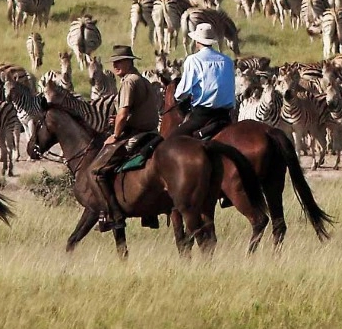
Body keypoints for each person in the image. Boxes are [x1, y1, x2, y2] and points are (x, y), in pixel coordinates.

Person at [79, 44, 160, 232]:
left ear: (129, 62)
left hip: (135, 135)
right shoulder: (141, 79)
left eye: (120, 62)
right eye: (114, 62)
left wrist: (115, 135)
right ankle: (150, 213)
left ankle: (113, 215)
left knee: (96, 171)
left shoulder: (128, 82)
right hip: (152, 133)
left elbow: (123, 114)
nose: (115, 65)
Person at [174, 23, 237, 139]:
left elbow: (182, 92)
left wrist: (178, 97)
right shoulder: (227, 61)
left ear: (197, 42)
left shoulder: (193, 60)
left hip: (203, 116)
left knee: (172, 140)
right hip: (225, 116)